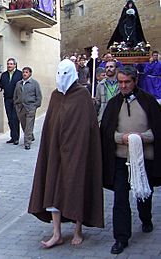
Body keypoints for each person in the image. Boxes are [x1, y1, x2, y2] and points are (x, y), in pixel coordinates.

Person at [28, 59, 104, 248]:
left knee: (76, 187)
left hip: (77, 152)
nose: (62, 78)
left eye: (65, 74)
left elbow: (88, 127)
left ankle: (78, 229)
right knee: (53, 188)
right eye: (59, 74)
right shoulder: (55, 96)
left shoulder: (82, 96)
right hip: (56, 152)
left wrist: (79, 146)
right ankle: (57, 233)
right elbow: (50, 126)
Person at [100, 66, 161, 255]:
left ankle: (146, 218)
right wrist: (122, 138)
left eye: (127, 82)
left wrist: (142, 137)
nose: (123, 85)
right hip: (121, 159)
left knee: (145, 193)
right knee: (120, 198)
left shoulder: (148, 101)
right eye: (120, 82)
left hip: (144, 159)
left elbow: (158, 129)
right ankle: (121, 237)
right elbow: (106, 130)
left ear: (135, 81)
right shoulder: (113, 104)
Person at [0, 58, 22, 145]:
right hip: (7, 99)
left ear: (15, 65)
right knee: (10, 119)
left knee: (15, 118)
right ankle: (13, 137)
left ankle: (16, 138)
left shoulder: (19, 74)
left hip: (17, 100)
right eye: (8, 64)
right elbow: (0, 87)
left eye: (11, 64)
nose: (9, 65)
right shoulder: (4, 75)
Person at [13, 67, 42, 150]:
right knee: (24, 124)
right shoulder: (18, 83)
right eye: (23, 72)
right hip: (20, 107)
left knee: (29, 125)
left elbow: (38, 95)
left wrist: (35, 105)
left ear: (30, 73)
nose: (24, 74)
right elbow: (15, 94)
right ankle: (30, 135)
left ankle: (27, 142)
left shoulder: (34, 83)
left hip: (30, 107)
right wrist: (16, 103)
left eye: (26, 72)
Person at [95, 60, 120, 124]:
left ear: (116, 69)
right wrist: (93, 103)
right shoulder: (100, 85)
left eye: (111, 67)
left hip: (118, 116)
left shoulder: (121, 84)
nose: (109, 69)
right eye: (107, 67)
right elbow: (98, 103)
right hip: (104, 117)